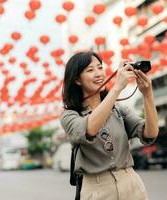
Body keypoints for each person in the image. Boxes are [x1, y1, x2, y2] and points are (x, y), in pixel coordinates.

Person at [60, 51, 159, 200]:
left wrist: (147, 94)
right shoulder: (70, 116)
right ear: (77, 80)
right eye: (90, 70)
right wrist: (117, 87)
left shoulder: (119, 110)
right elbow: (90, 129)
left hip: (130, 182)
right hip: (97, 189)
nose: (98, 73)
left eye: (100, 67)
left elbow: (150, 134)